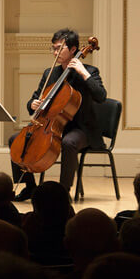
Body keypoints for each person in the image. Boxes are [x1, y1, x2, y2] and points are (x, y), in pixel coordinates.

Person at [9, 28, 107, 201]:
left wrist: (83, 72)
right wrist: (33, 104)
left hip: (81, 128)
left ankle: (63, 191)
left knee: (68, 142)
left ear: (73, 49)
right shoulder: (50, 73)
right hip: (50, 126)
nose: (55, 52)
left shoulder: (90, 71)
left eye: (59, 48)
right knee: (15, 139)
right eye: (53, 48)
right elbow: (34, 101)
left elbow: (101, 96)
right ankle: (30, 187)